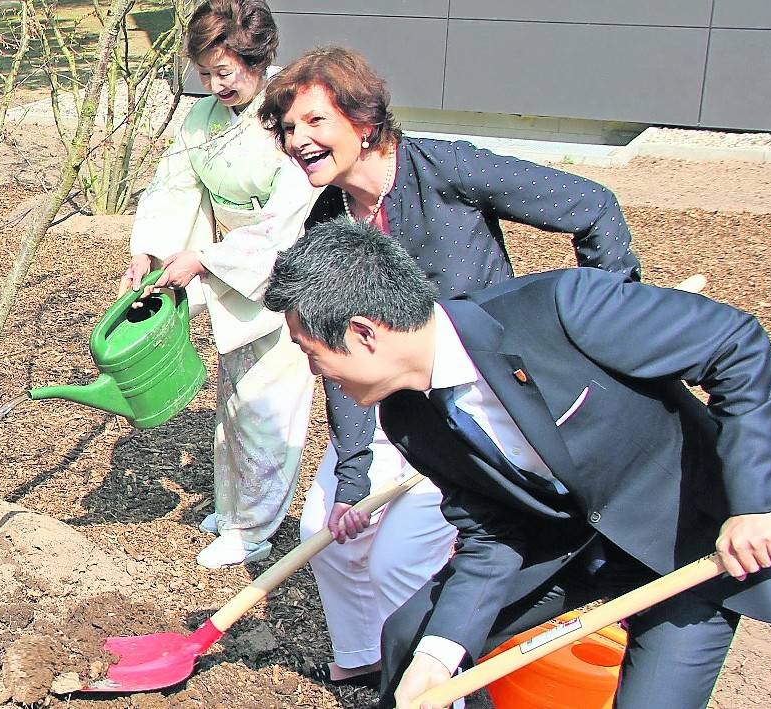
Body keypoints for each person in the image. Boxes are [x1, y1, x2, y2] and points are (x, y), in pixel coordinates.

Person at [262, 217, 771, 709]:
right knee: (413, 639)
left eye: (311, 353)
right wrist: (438, 659)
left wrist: (756, 503)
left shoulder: (562, 308)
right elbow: (491, 535)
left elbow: (737, 347)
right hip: (565, 547)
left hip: (693, 543)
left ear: (363, 334)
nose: (315, 371)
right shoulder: (407, 418)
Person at [255, 46, 642, 683]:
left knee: (401, 564)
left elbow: (592, 206)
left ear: (364, 119)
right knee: (327, 534)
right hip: (386, 398)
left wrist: (608, 327)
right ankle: (369, 660)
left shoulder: (444, 169)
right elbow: (336, 359)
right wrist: (352, 480)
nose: (298, 140)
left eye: (314, 122)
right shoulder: (329, 221)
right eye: (288, 129)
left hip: (479, 398)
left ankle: (435, 677)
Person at [119, 0, 319, 569]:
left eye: (224, 72)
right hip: (228, 260)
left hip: (284, 270)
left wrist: (205, 259)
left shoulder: (291, 115)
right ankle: (236, 509)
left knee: (267, 405)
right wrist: (150, 249)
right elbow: (174, 186)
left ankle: (255, 528)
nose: (213, 85)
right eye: (205, 73)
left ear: (260, 60)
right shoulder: (202, 118)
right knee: (233, 401)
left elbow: (288, 219)